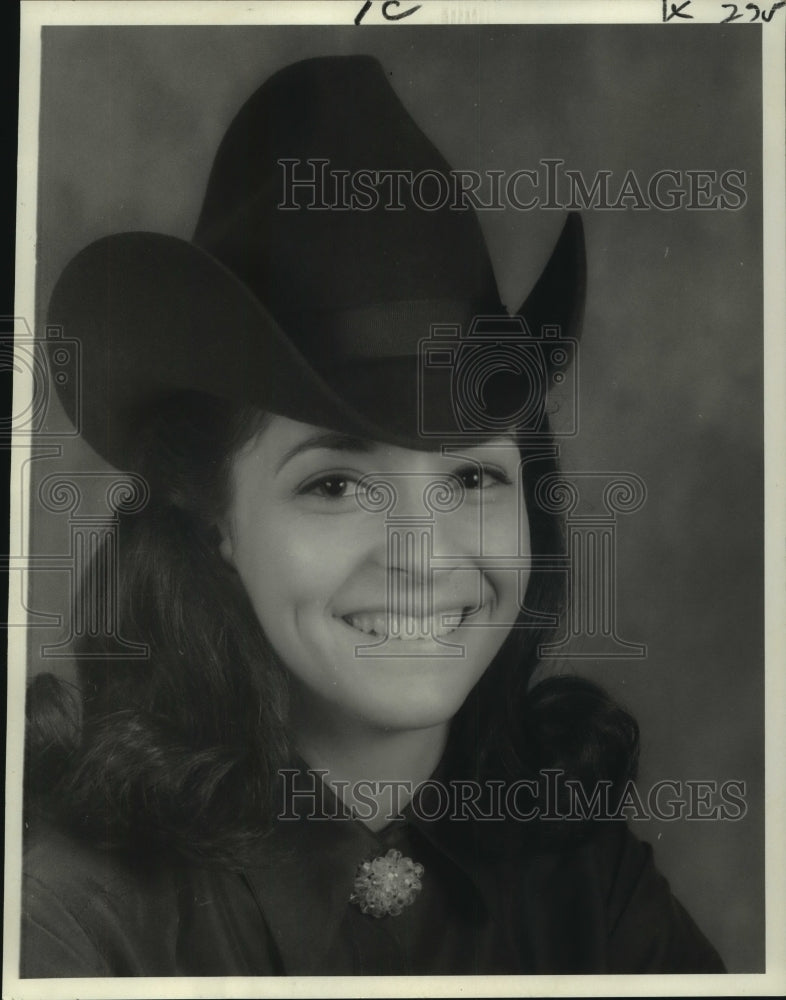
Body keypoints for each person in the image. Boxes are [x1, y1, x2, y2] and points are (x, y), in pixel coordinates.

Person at [21, 54, 725, 977]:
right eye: (336, 485)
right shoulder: (74, 927)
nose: (423, 555)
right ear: (214, 522)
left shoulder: (587, 882)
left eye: (473, 479)